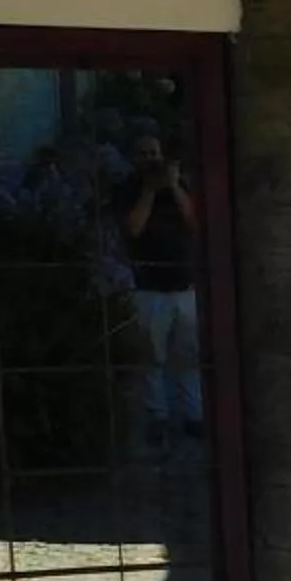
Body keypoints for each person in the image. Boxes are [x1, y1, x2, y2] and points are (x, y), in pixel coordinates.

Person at [115, 123, 204, 447]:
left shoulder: (180, 186)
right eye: (143, 155)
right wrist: (150, 191)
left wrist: (175, 186)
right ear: (133, 159)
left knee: (189, 356)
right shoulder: (128, 189)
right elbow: (133, 228)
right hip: (149, 286)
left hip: (184, 284)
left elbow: (197, 222)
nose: (150, 160)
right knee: (151, 357)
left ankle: (193, 415)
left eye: (154, 153)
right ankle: (158, 416)